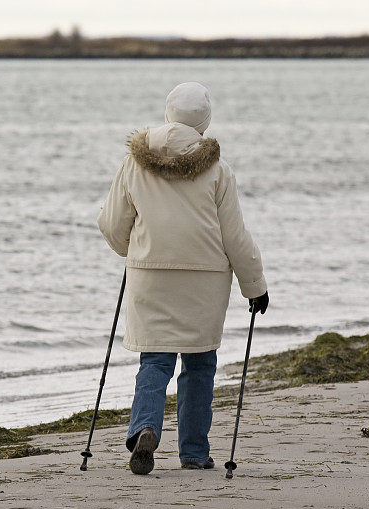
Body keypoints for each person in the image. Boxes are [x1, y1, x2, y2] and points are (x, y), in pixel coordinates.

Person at [97, 82, 269, 475]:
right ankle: (193, 452)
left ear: (167, 113)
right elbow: (235, 236)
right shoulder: (218, 170)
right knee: (199, 365)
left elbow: (111, 223)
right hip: (204, 281)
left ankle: (144, 428)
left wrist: (133, 249)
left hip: (150, 275)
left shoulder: (133, 163)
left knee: (155, 360)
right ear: (204, 121)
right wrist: (255, 286)